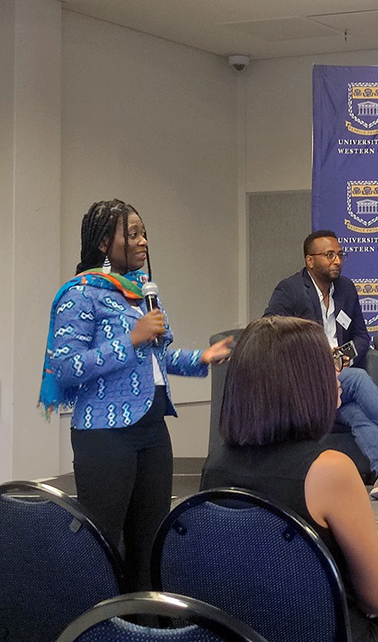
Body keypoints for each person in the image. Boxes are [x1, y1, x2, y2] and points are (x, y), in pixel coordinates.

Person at [39, 199, 233, 590]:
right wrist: (131, 338)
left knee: (151, 541)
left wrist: (202, 357)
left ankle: (145, 617)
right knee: (103, 543)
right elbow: (66, 366)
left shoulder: (141, 293)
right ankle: (100, 617)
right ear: (103, 244)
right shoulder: (81, 294)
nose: (143, 241)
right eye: (132, 234)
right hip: (105, 435)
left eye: (144, 233)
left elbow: (156, 357)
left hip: (152, 429)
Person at [202, 316, 378, 642]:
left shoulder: (214, 465)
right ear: (300, 381)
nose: (338, 373)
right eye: (329, 363)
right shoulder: (331, 470)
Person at [264, 230, 378, 501]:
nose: (337, 260)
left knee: (357, 413)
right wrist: (315, 353)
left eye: (340, 255)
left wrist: (346, 355)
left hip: (337, 381)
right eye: (329, 255)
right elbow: (270, 331)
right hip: (305, 381)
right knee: (360, 379)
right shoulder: (290, 289)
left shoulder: (346, 289)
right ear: (310, 261)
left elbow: (362, 335)